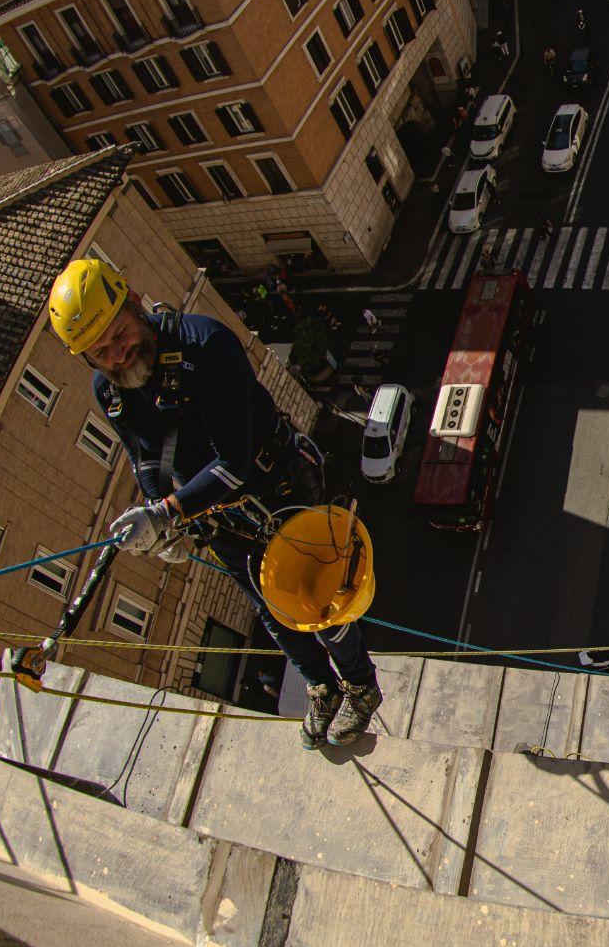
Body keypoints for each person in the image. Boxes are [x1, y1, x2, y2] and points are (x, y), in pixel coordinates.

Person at [46, 260, 384, 750]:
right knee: (271, 610)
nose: (119, 354)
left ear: (134, 303)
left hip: (275, 485)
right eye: (102, 353)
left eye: (120, 334)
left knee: (320, 597)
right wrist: (157, 512)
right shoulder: (110, 390)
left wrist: (167, 514)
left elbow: (234, 463)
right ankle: (322, 686)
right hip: (214, 514)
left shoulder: (206, 346)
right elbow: (145, 456)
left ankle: (360, 686)